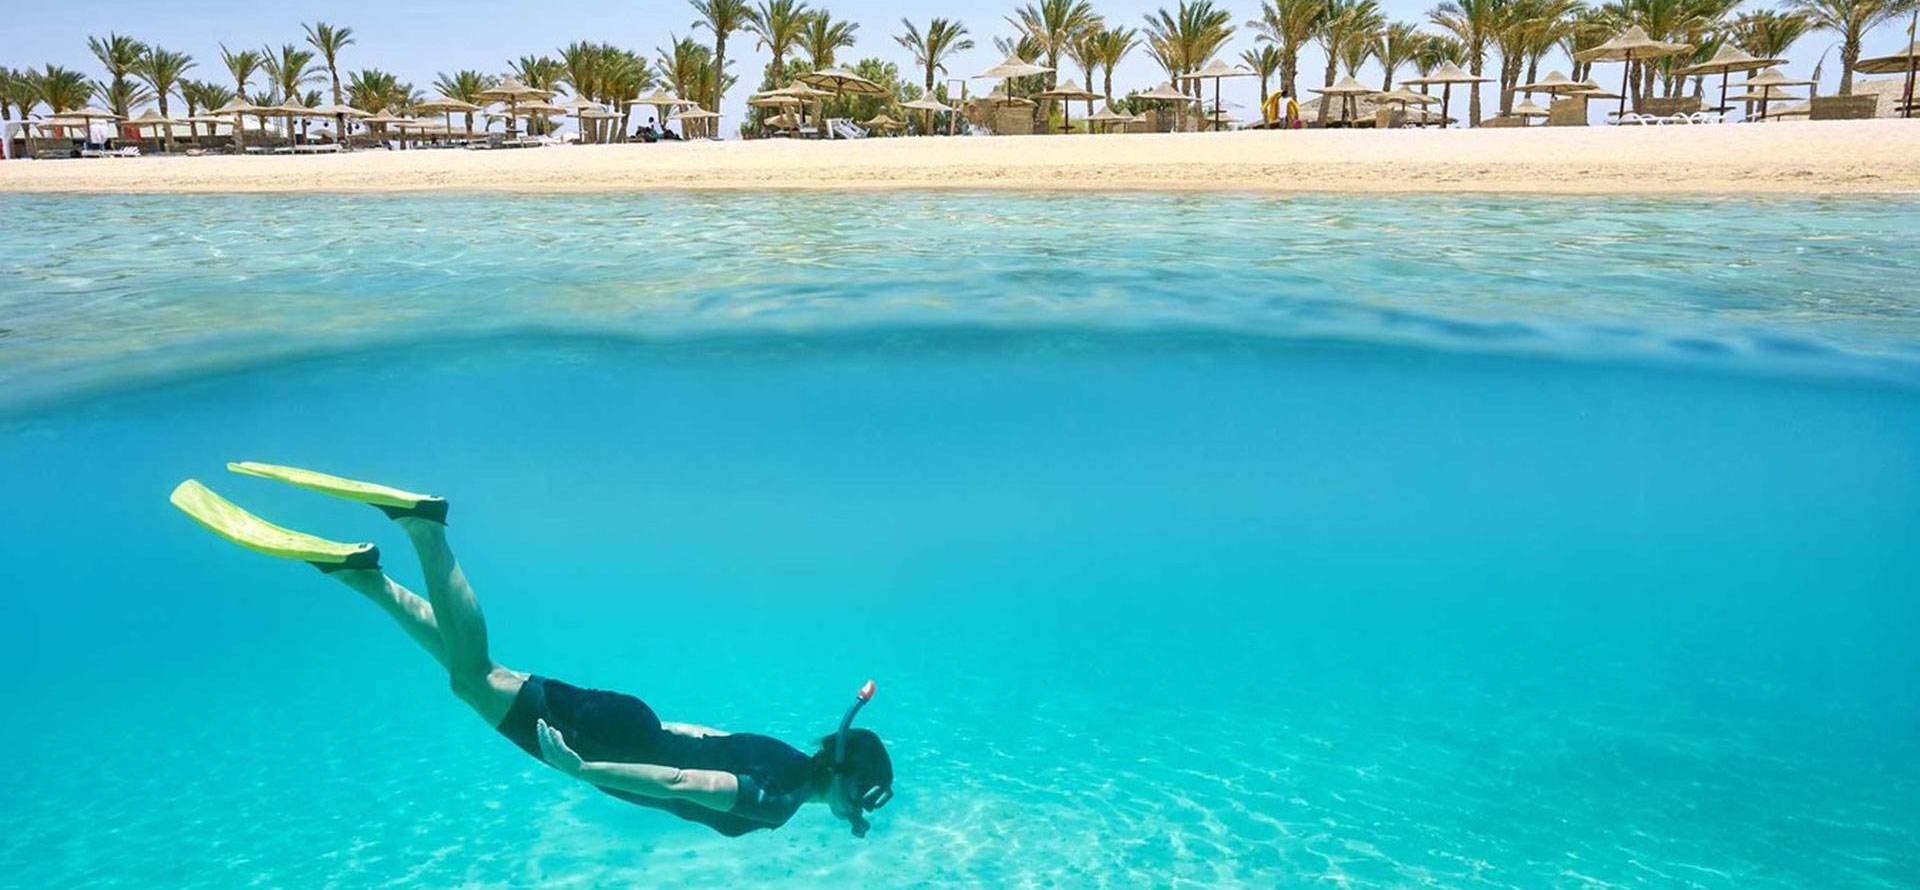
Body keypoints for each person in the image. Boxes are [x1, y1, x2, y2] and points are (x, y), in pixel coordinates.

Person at [169, 462, 895, 838]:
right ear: (854, 786)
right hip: (610, 742)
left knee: (472, 678)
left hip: (633, 724)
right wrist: (588, 769)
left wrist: (623, 747)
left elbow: (701, 738)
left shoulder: (786, 756)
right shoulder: (782, 801)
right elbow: (686, 784)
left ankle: (362, 574)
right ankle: (424, 528)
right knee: (476, 676)